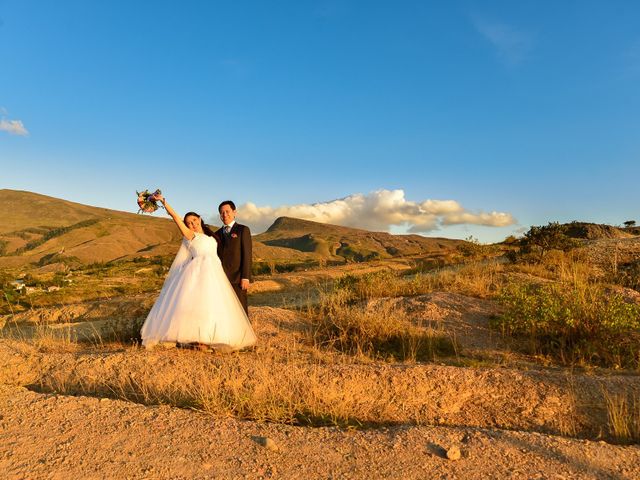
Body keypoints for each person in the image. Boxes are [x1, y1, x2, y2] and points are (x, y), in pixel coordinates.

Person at [140, 195, 256, 351]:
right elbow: (175, 218)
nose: (192, 224)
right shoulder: (190, 235)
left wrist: (245, 275)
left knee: (214, 306)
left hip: (216, 273)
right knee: (199, 305)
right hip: (200, 272)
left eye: (194, 220)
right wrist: (163, 202)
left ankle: (216, 337)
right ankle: (198, 340)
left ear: (200, 218)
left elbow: (242, 254)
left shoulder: (213, 235)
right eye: (188, 223)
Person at [215, 200, 252, 315]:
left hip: (238, 279)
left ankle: (245, 332)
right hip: (221, 279)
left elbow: (247, 254)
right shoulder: (216, 234)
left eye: (227, 211)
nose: (224, 214)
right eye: (222, 212)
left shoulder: (243, 230)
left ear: (234, 212)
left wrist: (245, 277)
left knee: (240, 310)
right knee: (225, 310)